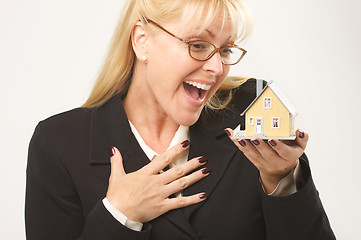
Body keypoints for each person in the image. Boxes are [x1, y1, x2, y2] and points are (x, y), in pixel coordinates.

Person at [25, 0, 336, 239]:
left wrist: (282, 181)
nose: (216, 68)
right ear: (142, 41)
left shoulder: (251, 114)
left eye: (225, 50)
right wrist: (118, 215)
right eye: (198, 45)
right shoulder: (59, 143)